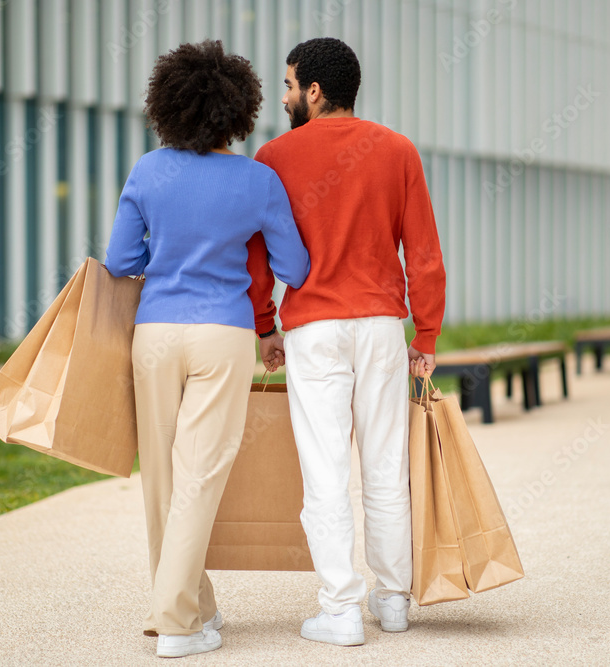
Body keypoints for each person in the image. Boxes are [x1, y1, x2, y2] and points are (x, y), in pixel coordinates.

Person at [105, 40, 310, 659]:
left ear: (169, 106)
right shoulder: (257, 180)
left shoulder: (146, 170)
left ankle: (197, 609)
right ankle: (175, 622)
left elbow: (120, 260)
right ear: (238, 109)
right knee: (201, 475)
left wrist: (162, 257)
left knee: (163, 479)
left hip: (155, 332)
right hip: (222, 335)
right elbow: (294, 266)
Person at [247, 37, 446, 646]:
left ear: (313, 90)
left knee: (325, 469)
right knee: (386, 467)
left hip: (313, 329)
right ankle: (392, 600)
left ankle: (339, 610)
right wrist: (428, 330)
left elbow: (257, 255)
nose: (283, 97)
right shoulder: (398, 149)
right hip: (383, 327)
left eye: (287, 86)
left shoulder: (273, 157)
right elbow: (425, 252)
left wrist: (264, 325)